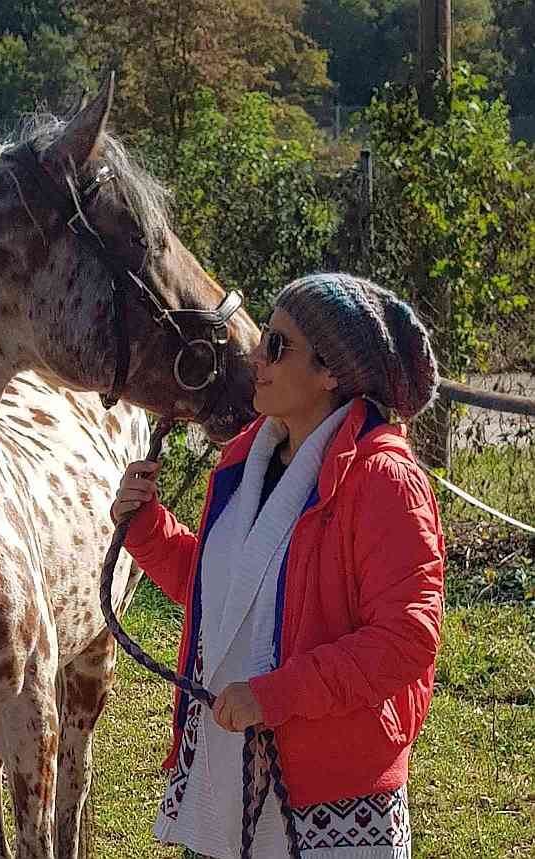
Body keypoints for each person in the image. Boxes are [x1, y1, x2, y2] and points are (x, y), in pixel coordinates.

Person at [112, 273, 446, 859]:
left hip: (330, 793)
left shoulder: (383, 479)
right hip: (233, 768)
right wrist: (147, 530)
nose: (256, 355)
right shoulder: (251, 458)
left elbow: (404, 642)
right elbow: (227, 592)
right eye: (264, 337)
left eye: (277, 345)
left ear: (330, 373)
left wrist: (273, 695)